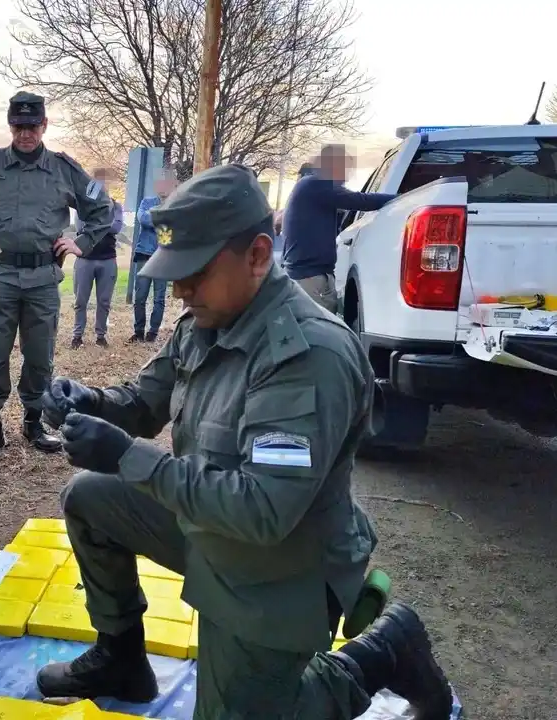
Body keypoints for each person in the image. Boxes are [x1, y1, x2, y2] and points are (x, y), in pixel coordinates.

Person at [36, 164, 453, 719]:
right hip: (216, 528)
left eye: (195, 272)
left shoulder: (306, 356)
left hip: (283, 568)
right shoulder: (208, 318)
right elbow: (143, 402)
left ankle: (378, 654)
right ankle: (121, 659)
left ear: (258, 255)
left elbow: (263, 511)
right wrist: (90, 401)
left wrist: (127, 456)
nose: (180, 289)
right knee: (90, 495)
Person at [0, 91, 114, 459]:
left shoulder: (64, 169)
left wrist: (81, 242)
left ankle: (34, 422)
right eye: (18, 126)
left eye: (32, 126)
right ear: (10, 125)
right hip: (0, 272)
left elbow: (102, 208)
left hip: (43, 276)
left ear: (44, 125)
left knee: (40, 355)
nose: (25, 133)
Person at [282, 145, 396, 313]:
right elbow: (360, 200)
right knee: (320, 326)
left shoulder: (309, 186)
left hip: (305, 274)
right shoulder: (317, 184)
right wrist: (403, 198)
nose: (346, 176)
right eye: (344, 168)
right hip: (311, 278)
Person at [71, 167, 123, 349]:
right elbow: (81, 227)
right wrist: (105, 223)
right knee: (80, 301)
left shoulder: (116, 206)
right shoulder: (82, 206)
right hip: (85, 259)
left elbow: (117, 228)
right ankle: (77, 336)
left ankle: (101, 336)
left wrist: (96, 223)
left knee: (104, 301)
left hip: (108, 259)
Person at [130, 172, 177, 343]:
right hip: (144, 254)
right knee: (140, 296)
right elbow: (143, 219)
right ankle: (138, 331)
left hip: (163, 256)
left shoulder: (175, 205)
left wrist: (157, 218)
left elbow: (172, 228)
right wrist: (162, 219)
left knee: (159, 298)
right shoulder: (147, 202)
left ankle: (153, 332)